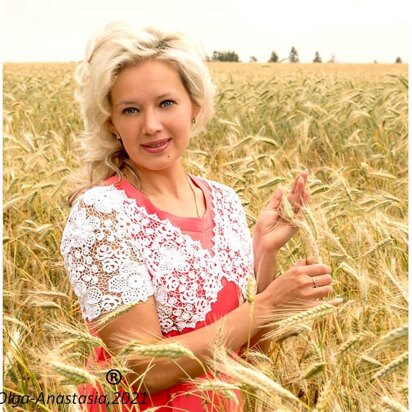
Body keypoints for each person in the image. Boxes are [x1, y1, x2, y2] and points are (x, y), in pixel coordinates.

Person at [60, 22, 341, 412]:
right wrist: (268, 305)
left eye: (166, 103)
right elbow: (142, 369)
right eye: (130, 110)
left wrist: (263, 252)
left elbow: (247, 342)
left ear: (195, 105)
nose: (151, 125)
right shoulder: (101, 215)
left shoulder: (223, 200)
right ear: (112, 122)